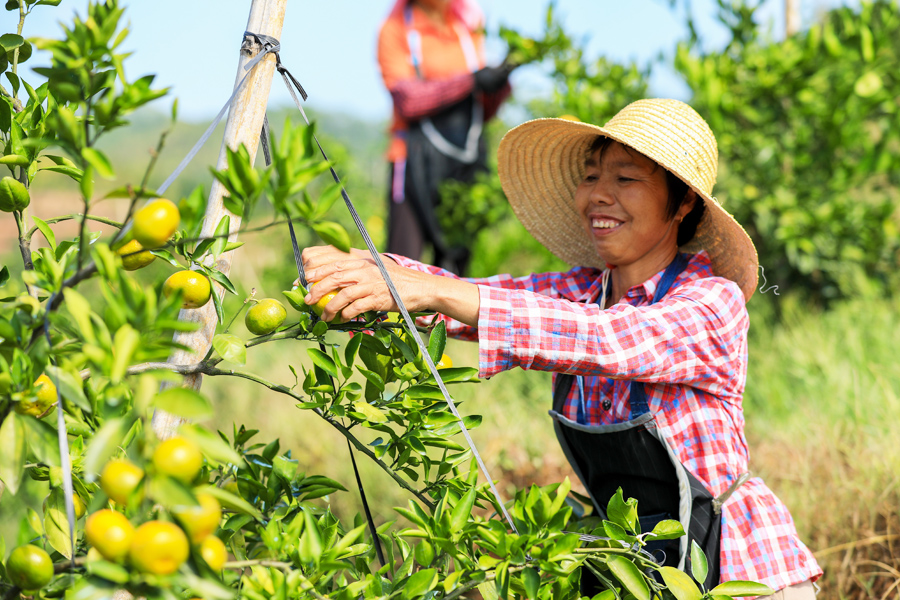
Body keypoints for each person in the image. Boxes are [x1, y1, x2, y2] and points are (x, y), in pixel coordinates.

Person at [299, 99, 822, 597]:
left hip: (742, 570)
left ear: (682, 202)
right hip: (642, 571)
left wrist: (433, 291)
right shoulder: (582, 291)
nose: (598, 193)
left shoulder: (711, 301)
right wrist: (372, 273)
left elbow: (607, 338)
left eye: (625, 178)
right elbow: (481, 299)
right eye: (591, 176)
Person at [377, 0, 512, 274]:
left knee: (454, 268)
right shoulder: (394, 29)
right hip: (412, 158)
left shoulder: (467, 24)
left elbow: (480, 111)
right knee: (401, 265)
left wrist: (497, 86)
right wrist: (471, 81)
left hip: (463, 159)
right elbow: (408, 100)